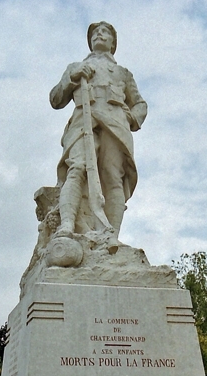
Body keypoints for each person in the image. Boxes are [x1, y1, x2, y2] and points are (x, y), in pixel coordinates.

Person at [50, 21, 147, 238]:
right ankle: (67, 225)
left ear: (113, 43)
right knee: (76, 168)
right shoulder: (74, 67)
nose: (99, 34)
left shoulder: (122, 73)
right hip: (83, 121)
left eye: (104, 32)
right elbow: (55, 99)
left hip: (115, 124)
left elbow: (140, 104)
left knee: (113, 177)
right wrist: (73, 78)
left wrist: (131, 118)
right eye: (95, 32)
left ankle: (111, 237)